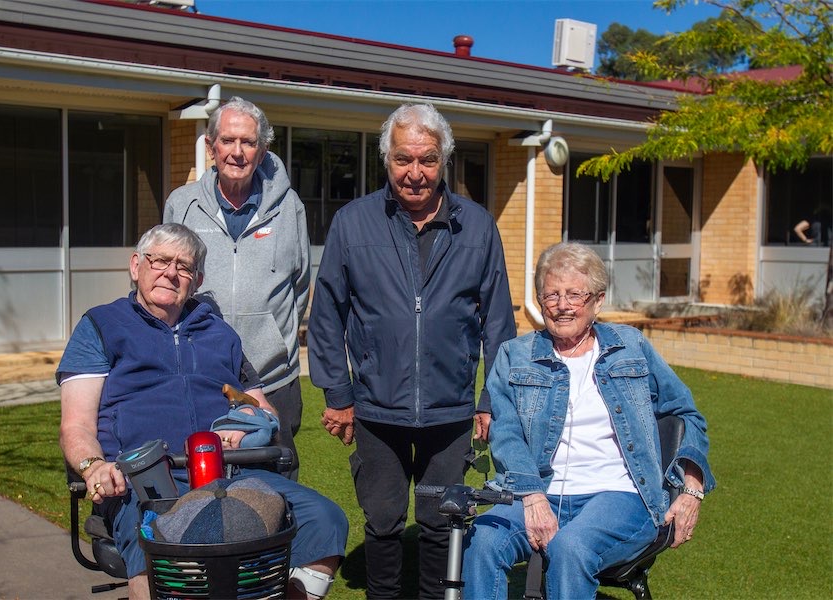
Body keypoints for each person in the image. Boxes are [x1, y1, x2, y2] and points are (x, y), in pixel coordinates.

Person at [58, 223, 346, 600]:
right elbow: (75, 425)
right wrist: (94, 466)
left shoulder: (220, 333)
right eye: (159, 260)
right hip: (145, 482)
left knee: (325, 520)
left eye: (184, 266)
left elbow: (261, 407)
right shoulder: (101, 326)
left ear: (197, 279)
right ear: (136, 266)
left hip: (232, 473)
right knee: (154, 554)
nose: (170, 272)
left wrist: (251, 422)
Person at [308, 103, 516, 598]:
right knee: (381, 520)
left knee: (440, 521)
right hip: (378, 406)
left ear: (443, 160)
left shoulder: (479, 227)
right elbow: (327, 314)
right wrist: (339, 393)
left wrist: (492, 398)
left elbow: (499, 323)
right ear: (387, 160)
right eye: (404, 159)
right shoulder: (353, 223)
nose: (415, 173)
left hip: (451, 410)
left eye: (427, 160)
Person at [461, 242, 716, 599]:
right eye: (551, 295)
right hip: (539, 491)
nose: (562, 305)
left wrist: (691, 488)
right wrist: (533, 498)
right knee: (484, 538)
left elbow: (686, 413)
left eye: (574, 294)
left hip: (619, 495)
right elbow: (506, 432)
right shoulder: (514, 356)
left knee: (571, 547)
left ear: (597, 300)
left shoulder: (631, 346)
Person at [164, 96, 310, 481]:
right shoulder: (182, 204)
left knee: (276, 490)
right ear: (212, 147)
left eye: (248, 142)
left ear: (262, 151)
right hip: (200, 376)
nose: (237, 152)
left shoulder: (290, 208)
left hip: (274, 379)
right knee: (199, 487)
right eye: (227, 141)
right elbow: (165, 283)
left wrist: (273, 336)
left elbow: (300, 285)